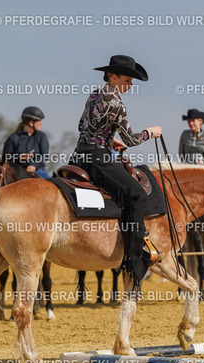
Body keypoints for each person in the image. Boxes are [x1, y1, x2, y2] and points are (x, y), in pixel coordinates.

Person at [71, 54, 162, 283]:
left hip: (79, 155)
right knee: (137, 196)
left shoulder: (93, 96)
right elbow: (131, 139)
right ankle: (134, 257)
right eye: (127, 80)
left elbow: (82, 126)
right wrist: (151, 132)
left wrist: (110, 139)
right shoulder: (116, 104)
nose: (130, 85)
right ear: (113, 77)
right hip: (98, 159)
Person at [3, 106, 50, 179]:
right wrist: (19, 158)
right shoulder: (13, 138)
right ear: (31, 123)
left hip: (38, 171)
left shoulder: (42, 136)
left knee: (52, 184)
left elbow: (45, 156)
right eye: (39, 120)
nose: (41, 122)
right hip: (17, 172)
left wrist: (34, 165)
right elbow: (5, 158)